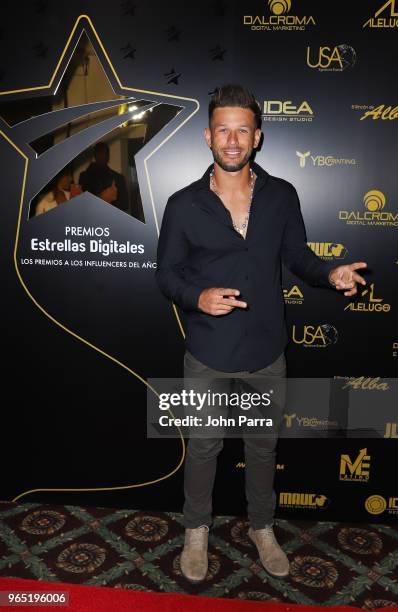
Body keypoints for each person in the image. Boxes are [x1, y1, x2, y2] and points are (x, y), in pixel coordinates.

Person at [155, 84, 367, 583]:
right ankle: (196, 530)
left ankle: (262, 527)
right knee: (204, 448)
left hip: (267, 351)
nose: (233, 140)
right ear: (208, 136)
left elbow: (298, 258)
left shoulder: (282, 195)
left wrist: (329, 274)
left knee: (262, 447)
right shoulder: (183, 204)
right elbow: (166, 273)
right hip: (207, 350)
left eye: (242, 130)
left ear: (258, 137)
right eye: (223, 130)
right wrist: (197, 297)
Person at [79, 142, 128, 212]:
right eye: (98, 153)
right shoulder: (85, 176)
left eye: (103, 153)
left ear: (108, 156)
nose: (101, 156)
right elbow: (82, 205)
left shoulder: (118, 178)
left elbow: (124, 205)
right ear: (95, 156)